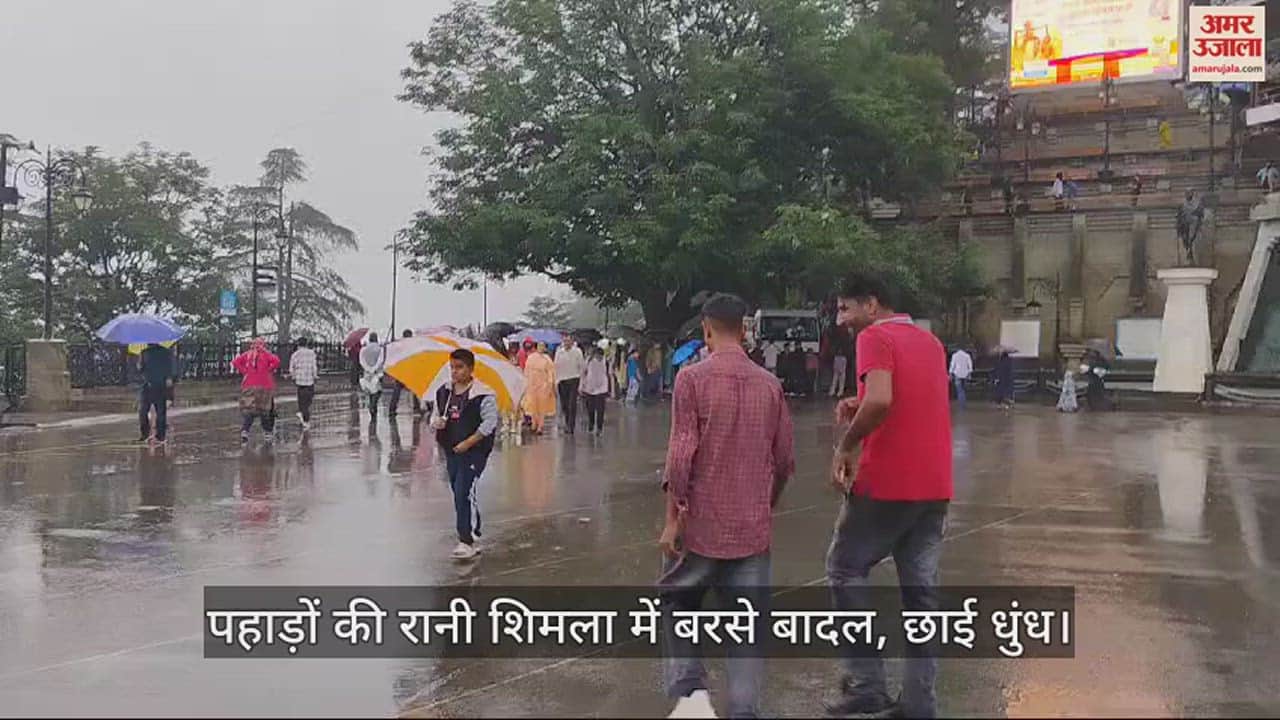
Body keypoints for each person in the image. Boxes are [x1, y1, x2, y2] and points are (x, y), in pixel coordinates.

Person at [659, 293, 794, 720]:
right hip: (752, 531)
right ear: (745, 329)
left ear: (706, 328)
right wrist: (763, 505)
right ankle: (743, 711)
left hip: (701, 526)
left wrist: (671, 520)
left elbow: (681, 457)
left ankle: (692, 693)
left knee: (677, 600)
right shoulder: (770, 385)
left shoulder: (692, 379)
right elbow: (785, 461)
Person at [826, 273, 952, 719]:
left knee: (844, 569)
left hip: (888, 483)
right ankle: (920, 704)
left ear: (872, 304)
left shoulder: (874, 337)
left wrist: (846, 444)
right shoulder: (929, 342)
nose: (842, 319)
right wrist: (858, 404)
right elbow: (905, 402)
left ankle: (867, 686)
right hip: (934, 486)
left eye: (846, 308)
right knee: (921, 598)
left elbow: (881, 400)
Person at [431, 348, 499, 560]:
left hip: (474, 453)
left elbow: (489, 423)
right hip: (451, 451)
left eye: (459, 367)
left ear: (470, 369)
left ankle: (466, 540)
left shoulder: (483, 394)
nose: (455, 372)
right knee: (459, 491)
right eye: (452, 367)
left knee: (463, 491)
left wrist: (469, 442)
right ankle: (472, 529)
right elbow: (433, 417)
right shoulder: (444, 392)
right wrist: (437, 423)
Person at [233, 338, 280, 443]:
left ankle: (245, 430)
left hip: (249, 385)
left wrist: (245, 371)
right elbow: (277, 361)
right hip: (264, 385)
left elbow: (235, 362)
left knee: (249, 410)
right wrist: (269, 369)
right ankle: (267, 433)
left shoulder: (247, 354)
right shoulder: (266, 354)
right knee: (264, 410)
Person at [137, 343, 174, 445]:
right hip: (160, 386)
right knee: (160, 412)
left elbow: (140, 369)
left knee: (143, 411)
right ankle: (160, 436)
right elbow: (170, 371)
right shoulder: (166, 353)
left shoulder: (144, 353)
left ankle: (145, 434)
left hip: (148, 385)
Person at [521, 342, 556, 434]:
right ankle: (534, 423)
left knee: (542, 407)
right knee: (532, 405)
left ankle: (540, 426)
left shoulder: (547, 359)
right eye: (540, 346)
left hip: (543, 386)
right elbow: (526, 371)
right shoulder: (531, 357)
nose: (541, 348)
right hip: (532, 385)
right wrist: (525, 382)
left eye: (543, 346)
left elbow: (550, 373)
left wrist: (549, 384)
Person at [388, 329, 424, 419]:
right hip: (411, 371)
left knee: (397, 391)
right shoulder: (414, 346)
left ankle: (392, 409)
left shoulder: (400, 345)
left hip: (401, 371)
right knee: (415, 390)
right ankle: (417, 408)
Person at [554, 334, 585, 434]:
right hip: (562, 381)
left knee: (572, 404)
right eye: (565, 341)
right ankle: (567, 422)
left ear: (572, 341)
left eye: (568, 341)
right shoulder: (559, 352)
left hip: (574, 379)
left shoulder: (577, 352)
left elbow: (582, 367)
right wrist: (556, 381)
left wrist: (581, 383)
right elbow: (556, 366)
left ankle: (571, 426)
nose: (566, 343)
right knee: (564, 405)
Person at [288, 337, 318, 430]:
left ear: (298, 344)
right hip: (309, 380)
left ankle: (303, 415)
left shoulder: (295, 355)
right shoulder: (311, 353)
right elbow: (314, 366)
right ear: (306, 344)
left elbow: (291, 368)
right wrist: (315, 375)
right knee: (309, 399)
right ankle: (305, 419)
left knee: (302, 400)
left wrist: (293, 376)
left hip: (300, 381)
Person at [580, 346, 610, 435]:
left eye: (601, 356)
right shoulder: (589, 361)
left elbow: (609, 374)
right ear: (595, 355)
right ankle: (591, 423)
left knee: (601, 410)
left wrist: (610, 389)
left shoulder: (606, 361)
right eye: (598, 356)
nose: (599, 358)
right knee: (590, 409)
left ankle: (599, 428)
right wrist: (581, 386)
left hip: (602, 388)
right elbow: (583, 373)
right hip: (590, 388)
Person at [359, 332, 386, 422]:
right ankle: (373, 405)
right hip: (378, 373)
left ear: (369, 339)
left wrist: (368, 369)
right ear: (376, 339)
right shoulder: (380, 349)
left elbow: (361, 361)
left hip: (367, 373)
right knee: (378, 391)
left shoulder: (363, 349)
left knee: (371, 390)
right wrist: (374, 369)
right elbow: (381, 360)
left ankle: (372, 407)